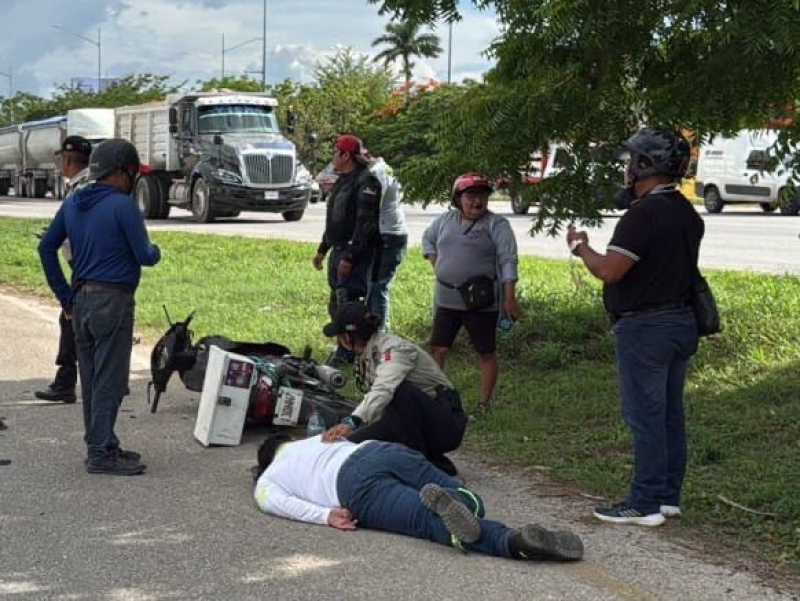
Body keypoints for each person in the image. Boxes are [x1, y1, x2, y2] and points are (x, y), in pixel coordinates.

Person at [565, 126, 702, 526]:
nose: (626, 169)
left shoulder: (642, 216)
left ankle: (643, 502)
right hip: (681, 322)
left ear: (645, 165)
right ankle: (667, 496)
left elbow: (610, 270)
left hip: (646, 327)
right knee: (669, 415)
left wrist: (581, 247)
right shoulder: (685, 212)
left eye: (631, 161)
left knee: (644, 415)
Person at [253, 433, 585, 562]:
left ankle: (514, 543)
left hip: (352, 487)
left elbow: (276, 503)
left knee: (427, 520)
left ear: (266, 461)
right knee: (457, 492)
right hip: (379, 451)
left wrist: (326, 516)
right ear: (288, 440)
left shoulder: (268, 478)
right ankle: (468, 502)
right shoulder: (313, 438)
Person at [38, 138, 161, 476]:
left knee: (91, 379)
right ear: (122, 172)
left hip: (81, 301)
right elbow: (144, 255)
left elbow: (46, 249)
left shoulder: (74, 202)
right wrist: (157, 251)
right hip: (114, 301)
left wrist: (65, 297)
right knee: (111, 378)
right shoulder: (124, 207)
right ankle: (100, 453)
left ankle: (101, 441)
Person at [320, 302, 467, 476]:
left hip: (447, 425)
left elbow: (384, 390)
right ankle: (432, 461)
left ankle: (418, 465)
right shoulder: (368, 354)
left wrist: (351, 422)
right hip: (419, 421)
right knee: (349, 444)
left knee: (399, 391)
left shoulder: (394, 349)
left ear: (347, 337)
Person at [422, 173, 521, 414]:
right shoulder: (445, 221)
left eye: (482, 196)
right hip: (447, 299)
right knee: (438, 349)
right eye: (471, 196)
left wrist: (509, 296)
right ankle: (436, 399)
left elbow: (508, 260)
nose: (477, 201)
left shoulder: (496, 224)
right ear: (458, 198)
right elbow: (428, 240)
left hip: (480, 300)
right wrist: (439, 267)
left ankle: (484, 403)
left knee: (485, 351)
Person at [313, 135, 382, 365]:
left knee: (348, 300)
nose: (333, 156)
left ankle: (353, 351)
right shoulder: (343, 180)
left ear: (345, 155)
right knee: (336, 301)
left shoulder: (366, 182)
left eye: (336, 152)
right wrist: (323, 249)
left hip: (354, 252)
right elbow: (335, 220)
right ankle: (342, 346)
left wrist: (351, 256)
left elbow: (366, 224)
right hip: (338, 248)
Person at [34, 136, 93, 404]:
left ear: (67, 160)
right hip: (87, 263)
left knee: (75, 320)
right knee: (73, 320)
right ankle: (70, 380)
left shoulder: (82, 188)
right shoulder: (85, 184)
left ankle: (71, 382)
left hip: (84, 266)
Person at [364, 149, 408, 331]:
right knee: (373, 285)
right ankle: (376, 330)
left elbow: (372, 204)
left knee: (378, 285)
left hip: (387, 235)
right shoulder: (384, 169)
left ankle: (381, 333)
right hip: (389, 233)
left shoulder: (378, 172)